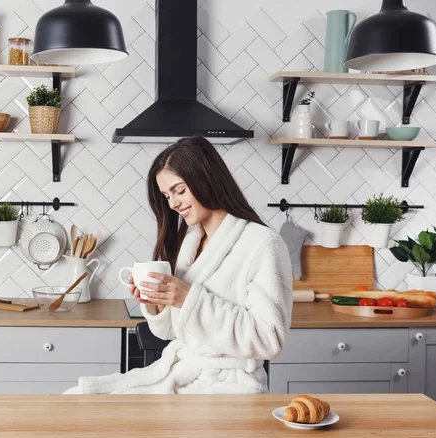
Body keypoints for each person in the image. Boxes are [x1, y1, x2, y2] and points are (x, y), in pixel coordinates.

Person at [64, 136, 293, 394]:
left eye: (179, 191)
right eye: (166, 195)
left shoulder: (263, 243)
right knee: (78, 398)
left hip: (229, 387)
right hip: (183, 373)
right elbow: (173, 333)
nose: (173, 204)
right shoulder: (192, 242)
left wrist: (189, 299)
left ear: (206, 178)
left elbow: (269, 338)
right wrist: (157, 303)